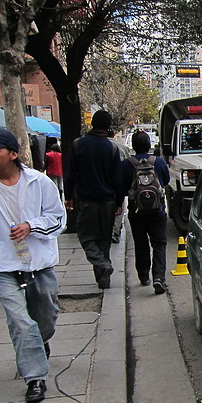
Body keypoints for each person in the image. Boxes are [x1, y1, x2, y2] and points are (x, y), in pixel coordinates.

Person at [0, 126, 66, 403]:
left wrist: (31, 226)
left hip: (38, 262)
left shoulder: (39, 182)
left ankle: (41, 341)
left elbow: (58, 218)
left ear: (13, 154)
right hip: (3, 265)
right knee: (20, 322)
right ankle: (35, 377)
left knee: (44, 316)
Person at [64, 110, 122, 289]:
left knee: (86, 237)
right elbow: (117, 179)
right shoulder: (112, 148)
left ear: (92, 124)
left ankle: (102, 266)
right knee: (104, 240)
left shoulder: (78, 144)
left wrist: (68, 197)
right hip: (108, 202)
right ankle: (103, 278)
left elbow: (70, 173)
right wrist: (119, 202)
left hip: (87, 201)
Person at [120, 132, 170, 294]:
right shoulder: (159, 162)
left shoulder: (127, 165)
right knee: (159, 244)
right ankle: (158, 278)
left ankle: (143, 276)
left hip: (136, 212)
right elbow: (166, 181)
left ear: (133, 146)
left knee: (140, 243)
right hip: (158, 212)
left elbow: (121, 187)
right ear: (149, 145)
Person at [108, 127, 131, 244]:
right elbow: (129, 164)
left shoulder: (94, 146)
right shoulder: (122, 148)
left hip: (101, 185)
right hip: (118, 184)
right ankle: (115, 232)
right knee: (118, 208)